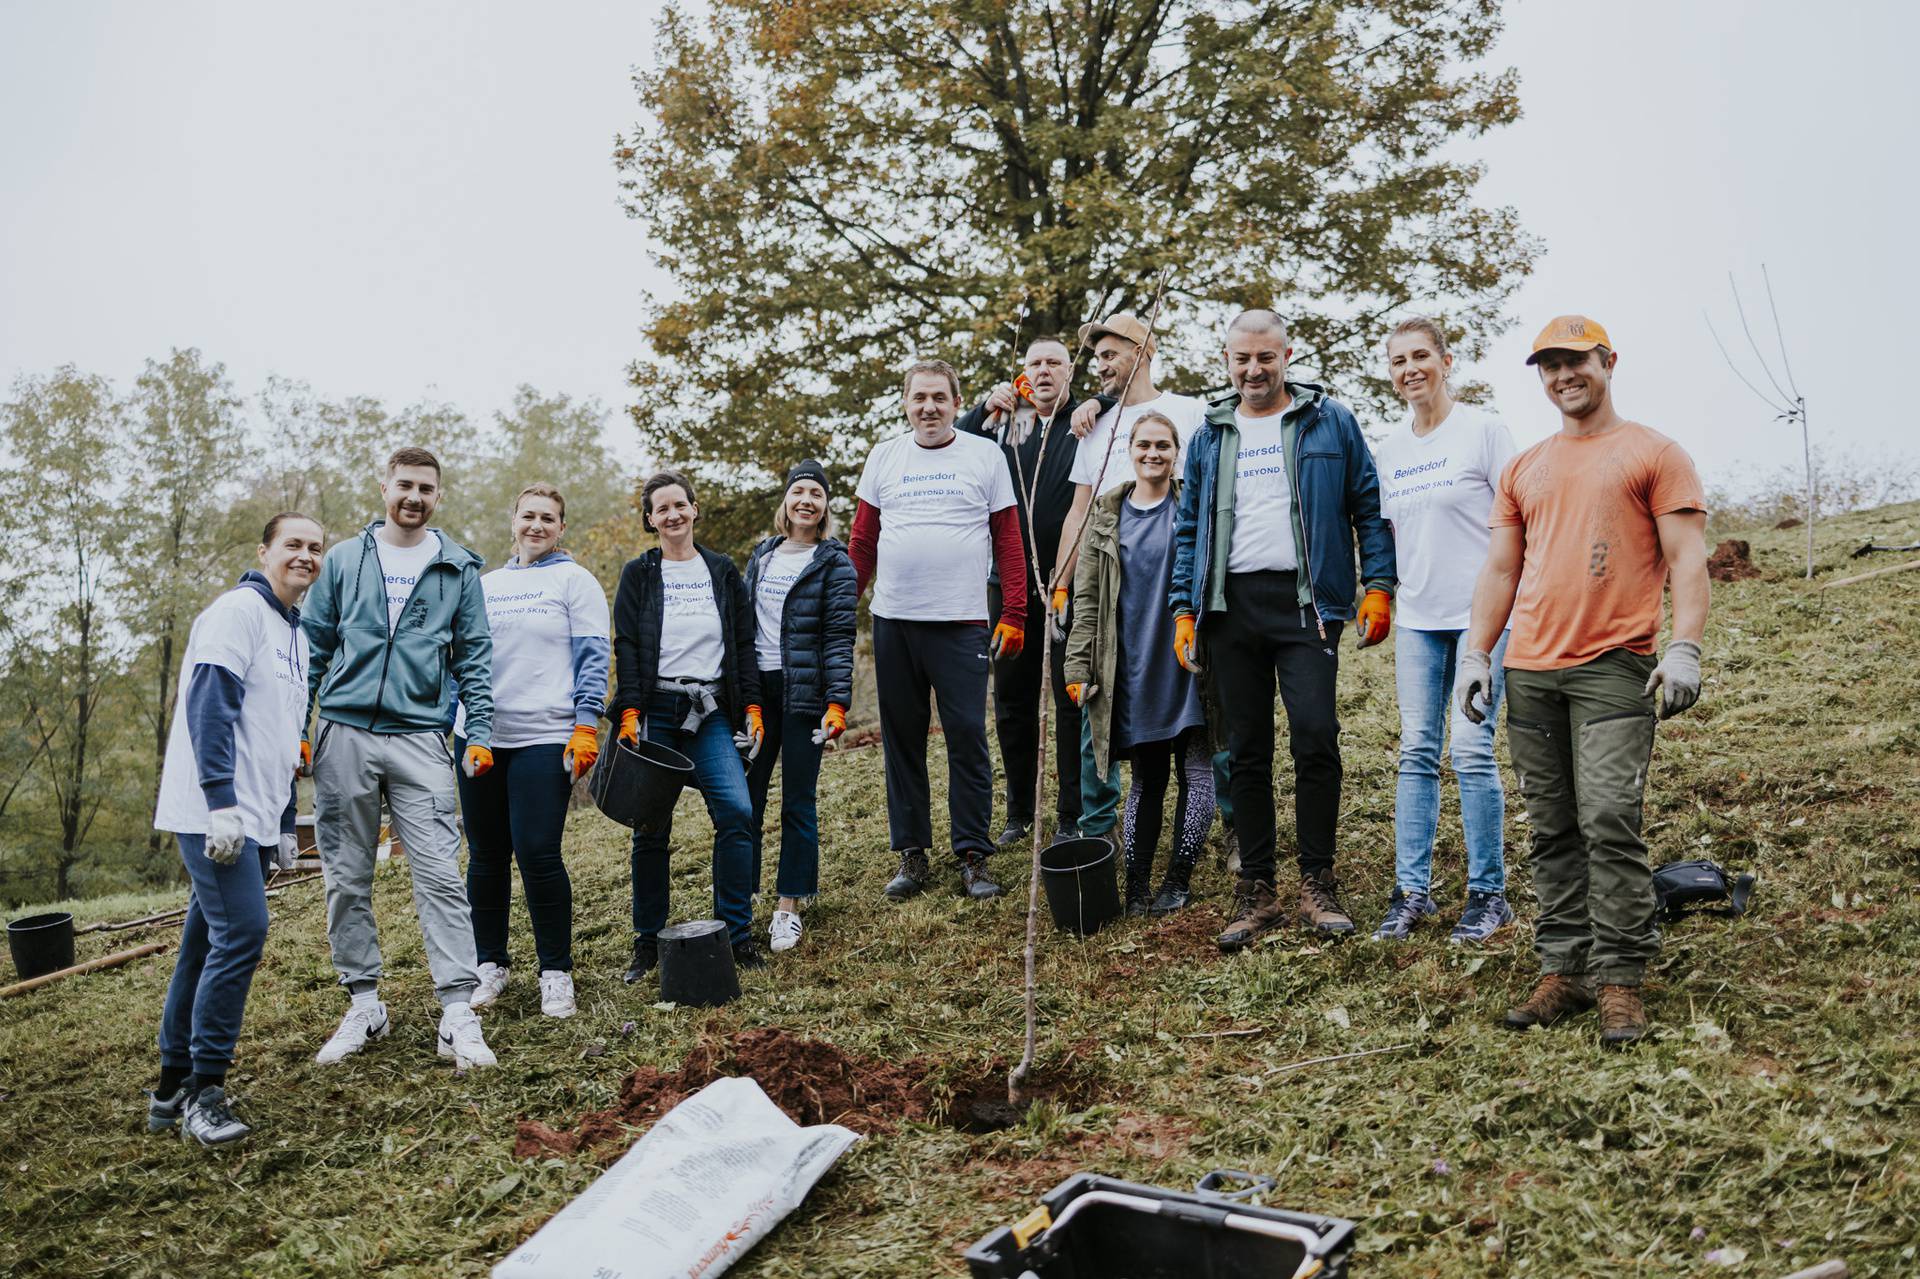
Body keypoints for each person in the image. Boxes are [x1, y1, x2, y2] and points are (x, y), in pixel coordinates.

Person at [1460, 315, 1709, 1047]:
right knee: (1552, 828)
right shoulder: (1525, 466)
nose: (1563, 375)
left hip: (1614, 667)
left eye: (1577, 361)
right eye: (1549, 365)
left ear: (1608, 362)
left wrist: (1685, 645)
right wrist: (1477, 654)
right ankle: (1563, 967)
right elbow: (1502, 567)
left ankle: (1621, 979)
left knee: (1607, 819)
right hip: (1530, 672)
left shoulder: (1655, 453)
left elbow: (1688, 559)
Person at [1168, 310, 1397, 953]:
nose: (1253, 370)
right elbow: (1189, 530)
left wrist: (1377, 587)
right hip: (1230, 607)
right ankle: (1258, 889)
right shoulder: (1210, 433)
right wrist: (1184, 611)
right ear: (1227, 361)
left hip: (1307, 605)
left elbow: (1368, 508)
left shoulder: (1332, 421)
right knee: (1244, 748)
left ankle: (1318, 881)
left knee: (1317, 735)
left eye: (1265, 357)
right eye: (1242, 359)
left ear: (1287, 355)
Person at [303, 447, 499, 1070]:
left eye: (426, 488)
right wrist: (295, 729)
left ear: (439, 495)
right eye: (404, 485)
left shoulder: (458, 566)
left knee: (441, 874)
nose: (414, 497)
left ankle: (457, 1014)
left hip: (421, 740)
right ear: (383, 486)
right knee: (346, 877)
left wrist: (482, 733)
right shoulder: (342, 560)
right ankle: (364, 1004)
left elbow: (474, 657)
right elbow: (310, 648)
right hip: (343, 734)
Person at [148, 514, 322, 1145]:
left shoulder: (294, 633)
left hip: (253, 813)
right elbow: (209, 705)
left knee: (204, 943)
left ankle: (170, 1087)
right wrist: (221, 802)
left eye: (314, 548)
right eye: (293, 545)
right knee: (243, 933)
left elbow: (279, 738)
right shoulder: (237, 611)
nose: (304, 555)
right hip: (214, 813)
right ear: (265, 551)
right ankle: (204, 1091)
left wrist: (281, 822)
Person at [848, 358, 1029, 900]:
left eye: (939, 398)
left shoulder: (985, 454)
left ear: (956, 402)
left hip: (962, 624)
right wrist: (841, 607)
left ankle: (973, 855)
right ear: (906, 402)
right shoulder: (884, 456)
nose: (929, 407)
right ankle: (912, 854)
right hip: (894, 621)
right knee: (903, 740)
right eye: (919, 398)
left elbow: (1009, 542)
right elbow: (862, 543)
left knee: (967, 737)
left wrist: (1014, 613)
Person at [1369, 318, 1518, 944]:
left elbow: (1520, 521)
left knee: (1471, 747)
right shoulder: (1388, 448)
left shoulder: (1484, 431)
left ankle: (1489, 895)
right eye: (1399, 360)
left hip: (1483, 619)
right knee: (1416, 752)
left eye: (1421, 356)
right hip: (1418, 621)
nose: (1411, 369)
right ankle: (1413, 894)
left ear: (1446, 360)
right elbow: (1384, 531)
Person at [1052, 314, 1208, 851]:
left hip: (1182, 578)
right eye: (1097, 357)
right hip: (1116, 588)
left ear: (1144, 351)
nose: (1101, 365)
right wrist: (1061, 580)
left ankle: (1228, 823)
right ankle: (1100, 829)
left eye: (1111, 354)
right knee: (1101, 697)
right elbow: (1078, 512)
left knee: (1206, 707)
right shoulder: (1095, 428)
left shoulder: (1191, 412)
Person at [453, 483, 610, 1019]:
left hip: (545, 735)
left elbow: (592, 656)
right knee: (486, 855)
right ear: (513, 520)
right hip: (479, 738)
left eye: (548, 517)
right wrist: (455, 724)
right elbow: (462, 659)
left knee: (539, 852)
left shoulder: (575, 580)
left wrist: (586, 724)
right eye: (528, 516)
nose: (537, 525)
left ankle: (555, 972)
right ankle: (490, 964)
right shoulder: (484, 584)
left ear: (562, 527)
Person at [612, 469, 765, 978]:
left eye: (681, 505)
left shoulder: (722, 570)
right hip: (657, 710)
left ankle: (736, 935)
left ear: (694, 509)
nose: (673, 515)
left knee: (737, 812)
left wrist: (753, 707)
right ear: (650, 519)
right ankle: (647, 943)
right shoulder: (640, 573)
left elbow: (743, 644)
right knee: (650, 826)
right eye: (662, 509)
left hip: (713, 711)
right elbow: (628, 646)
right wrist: (630, 710)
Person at [1064, 412, 1215, 914]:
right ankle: (1136, 887)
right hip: (1131, 662)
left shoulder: (1192, 506)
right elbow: (1086, 599)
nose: (1154, 454)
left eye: (1164, 446)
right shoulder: (1106, 516)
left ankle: (1178, 878)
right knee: (1148, 777)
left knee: (1196, 770)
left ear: (1177, 453)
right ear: (1131, 449)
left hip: (1189, 657)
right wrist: (1078, 668)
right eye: (1145, 444)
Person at [956, 337, 1086, 846]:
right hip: (1007, 585)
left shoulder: (1086, 421)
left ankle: (1072, 813)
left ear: (1070, 371)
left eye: (1055, 362)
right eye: (1036, 363)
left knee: (1070, 697)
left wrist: (1098, 402)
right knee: (1012, 698)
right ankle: (1018, 812)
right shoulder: (1004, 428)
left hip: (1068, 582)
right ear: (1023, 372)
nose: (1045, 371)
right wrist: (982, 407)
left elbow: (1128, 407)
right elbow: (951, 443)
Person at [743, 460, 857, 952]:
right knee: (745, 799)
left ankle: (788, 907)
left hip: (805, 696)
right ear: (785, 502)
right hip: (756, 697)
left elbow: (838, 637)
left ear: (826, 505)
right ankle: (737, 900)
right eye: (798, 491)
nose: (806, 500)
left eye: (816, 492)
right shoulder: (762, 555)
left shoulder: (836, 563)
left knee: (798, 800)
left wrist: (837, 702)